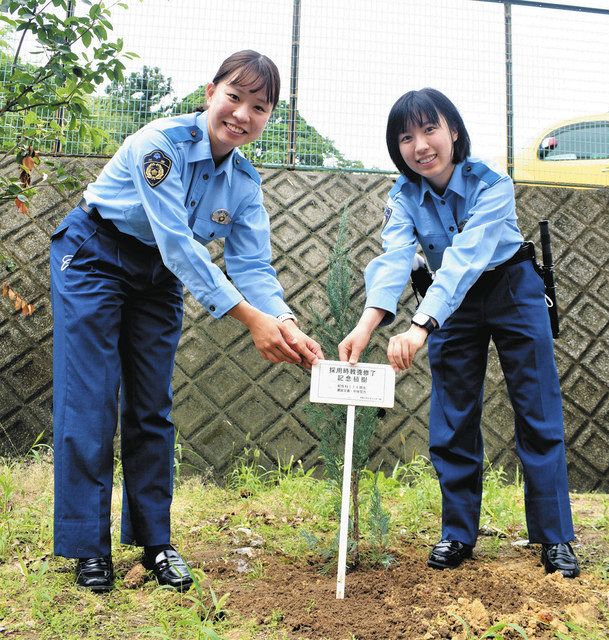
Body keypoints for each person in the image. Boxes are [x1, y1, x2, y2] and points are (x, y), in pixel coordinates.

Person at [50, 50, 323, 592]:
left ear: (270, 117)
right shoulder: (161, 144)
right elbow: (178, 241)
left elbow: (251, 264)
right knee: (92, 400)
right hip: (96, 256)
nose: (243, 113)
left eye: (260, 106)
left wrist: (284, 320)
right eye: (234, 97)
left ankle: (155, 543)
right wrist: (250, 321)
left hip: (158, 279)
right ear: (210, 92)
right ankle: (88, 547)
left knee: (152, 407)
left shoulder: (244, 184)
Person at [338, 88, 579, 578]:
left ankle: (555, 538)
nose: (420, 145)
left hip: (511, 286)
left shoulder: (493, 183)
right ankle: (458, 533)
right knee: (452, 413)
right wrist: (368, 325)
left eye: (430, 129)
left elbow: (469, 255)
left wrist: (421, 323)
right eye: (406, 137)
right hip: (448, 303)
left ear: (453, 131)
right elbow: (393, 258)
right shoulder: (402, 197)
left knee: (537, 409)